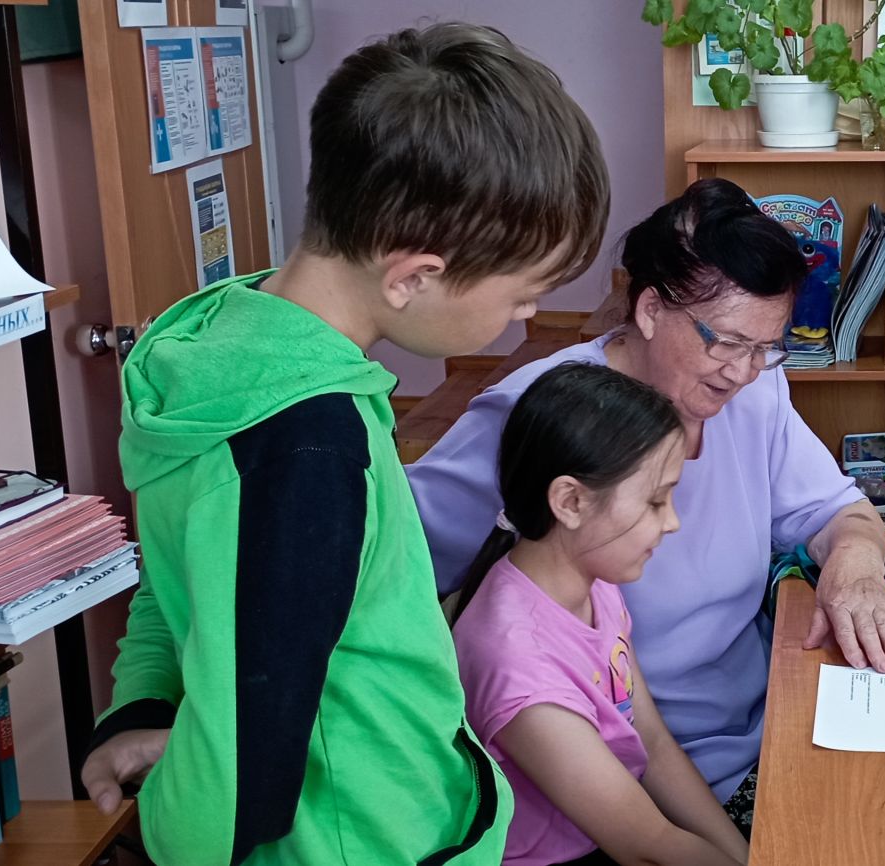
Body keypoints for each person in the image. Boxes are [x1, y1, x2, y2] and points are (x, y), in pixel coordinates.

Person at [76, 23, 608, 864]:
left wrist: (142, 709)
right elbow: (241, 787)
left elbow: (178, 579)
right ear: (413, 275)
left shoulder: (227, 348)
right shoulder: (304, 442)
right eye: (525, 292)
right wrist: (166, 831)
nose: (526, 317)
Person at [408, 178, 885, 830]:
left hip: (769, 723)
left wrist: (858, 561)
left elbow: (835, 510)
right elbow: (398, 566)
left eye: (766, 347)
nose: (743, 371)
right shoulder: (542, 414)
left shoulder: (755, 390)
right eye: (725, 342)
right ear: (647, 310)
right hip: (619, 784)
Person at [454, 363, 747, 866]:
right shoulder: (521, 672)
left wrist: (746, 857)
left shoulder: (593, 579)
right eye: (656, 501)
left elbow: (650, 740)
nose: (672, 521)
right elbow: (647, 848)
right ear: (570, 501)